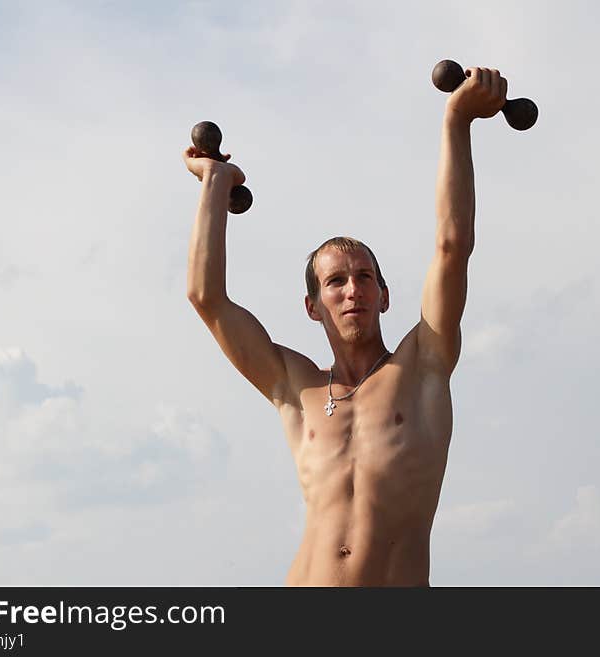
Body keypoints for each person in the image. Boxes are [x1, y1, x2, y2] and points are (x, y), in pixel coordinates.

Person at [183, 67, 507, 586]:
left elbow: (452, 247)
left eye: (363, 278)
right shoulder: (295, 385)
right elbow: (207, 299)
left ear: (383, 295)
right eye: (335, 282)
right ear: (313, 306)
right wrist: (214, 186)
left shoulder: (423, 363)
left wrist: (457, 120)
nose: (351, 289)